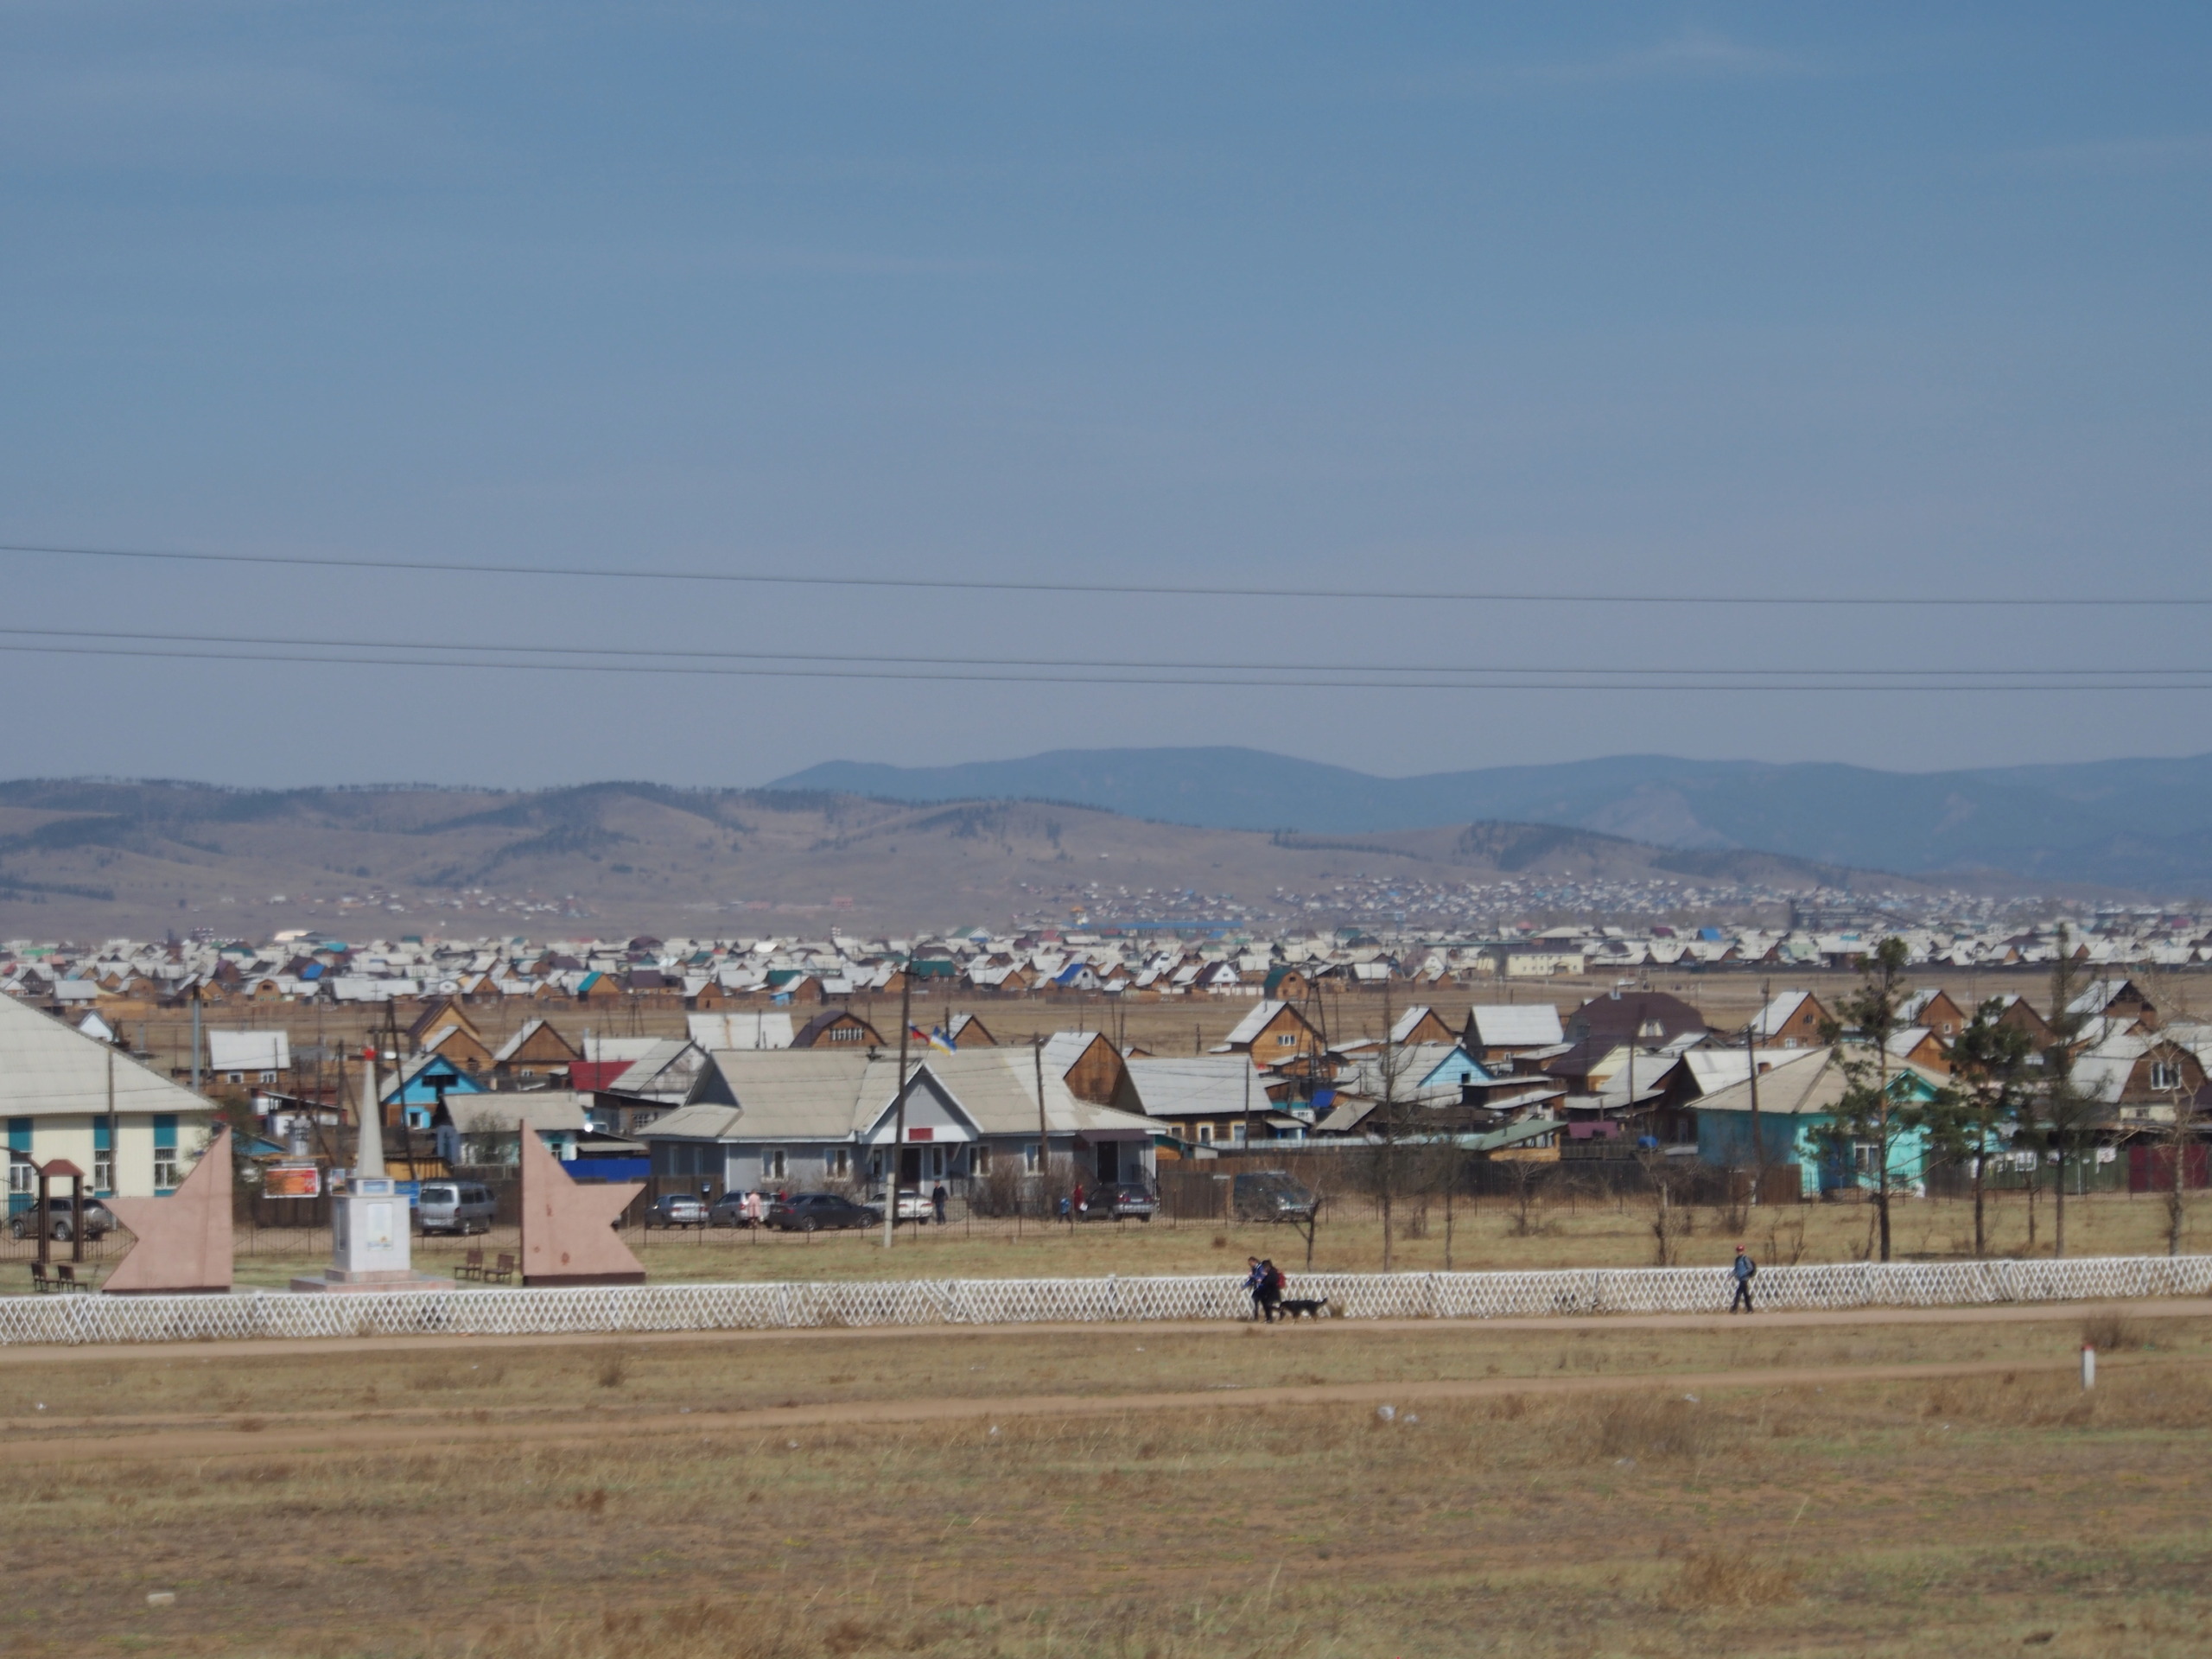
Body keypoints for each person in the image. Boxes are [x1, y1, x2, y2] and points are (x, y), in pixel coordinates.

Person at [1731, 1243, 1757, 1313]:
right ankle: (1750, 1309)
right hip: (1740, 1279)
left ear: (1743, 1251)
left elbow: (1750, 1268)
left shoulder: (1745, 1259)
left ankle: (1734, 1309)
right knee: (1745, 1294)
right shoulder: (1737, 1260)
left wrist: (1744, 1274)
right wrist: (1731, 1275)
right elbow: (1736, 1269)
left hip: (1744, 1279)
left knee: (1739, 1293)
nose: (1739, 1252)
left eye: (1741, 1251)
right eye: (1738, 1251)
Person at [1258, 1259, 1285, 1324]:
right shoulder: (1270, 1272)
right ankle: (1269, 1318)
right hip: (1268, 1291)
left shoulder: (1273, 1272)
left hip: (1273, 1291)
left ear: (1267, 1266)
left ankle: (1276, 1314)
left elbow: (1272, 1281)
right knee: (1265, 1304)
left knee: (1267, 1305)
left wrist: (1263, 1281)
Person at [1243, 1256, 1268, 1321]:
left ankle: (1268, 1317)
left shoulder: (1260, 1268)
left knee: (1265, 1303)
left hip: (1262, 1288)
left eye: (1250, 1263)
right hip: (1257, 1288)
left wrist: (1253, 1276)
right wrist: (1244, 1286)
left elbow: (1261, 1278)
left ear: (1254, 1262)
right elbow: (1251, 1280)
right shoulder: (1254, 1269)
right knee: (1255, 1302)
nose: (1250, 1265)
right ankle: (1256, 1317)